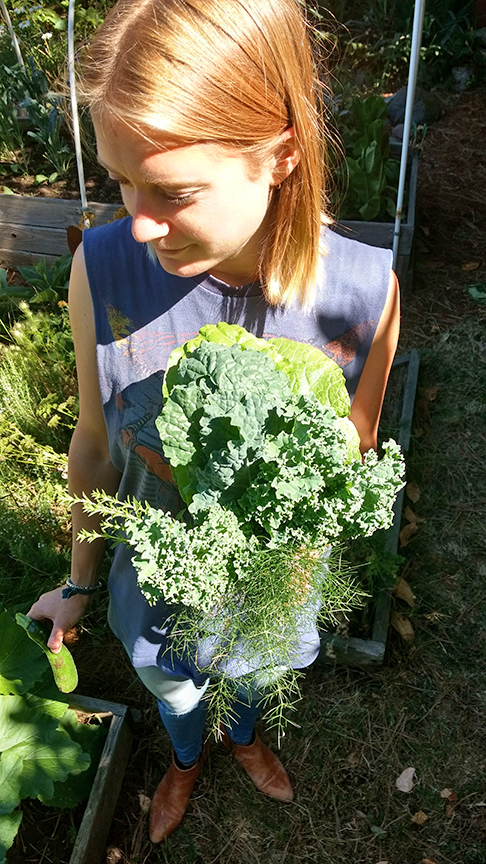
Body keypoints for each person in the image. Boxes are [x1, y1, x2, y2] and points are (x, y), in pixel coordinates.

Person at [28, 0, 400, 843]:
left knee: (251, 678)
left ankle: (244, 739)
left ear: (281, 155)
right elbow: (92, 448)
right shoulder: (106, 263)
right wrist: (82, 586)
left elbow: (356, 450)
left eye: (173, 190)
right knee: (172, 683)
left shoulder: (364, 292)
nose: (139, 218)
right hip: (151, 581)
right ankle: (187, 754)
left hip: (274, 589)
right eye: (121, 178)